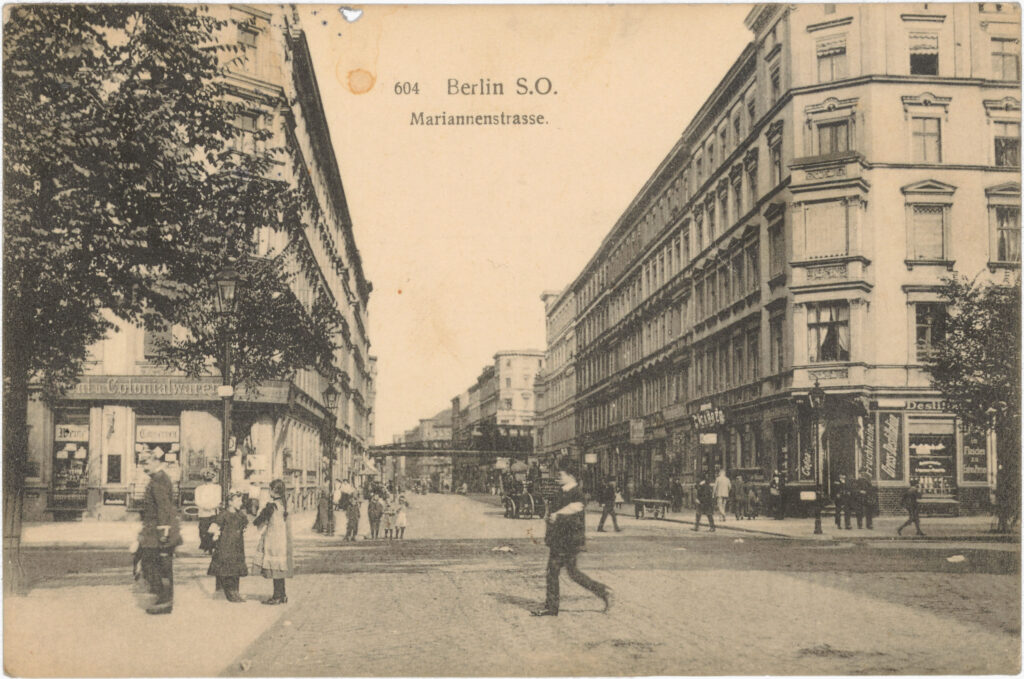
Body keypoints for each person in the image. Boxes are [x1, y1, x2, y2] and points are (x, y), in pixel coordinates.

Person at [532, 458, 612, 617]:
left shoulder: (577, 494)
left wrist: (557, 517)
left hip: (568, 541)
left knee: (553, 571)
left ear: (571, 476)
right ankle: (603, 592)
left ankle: (552, 607)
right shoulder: (561, 491)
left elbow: (574, 518)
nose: (558, 476)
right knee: (572, 572)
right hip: (560, 540)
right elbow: (555, 512)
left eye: (560, 473)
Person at [138, 451, 182, 615]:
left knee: (155, 566)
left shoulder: (159, 480)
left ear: (156, 461)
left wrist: (164, 531)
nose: (144, 467)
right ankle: (162, 598)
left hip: (159, 532)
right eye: (142, 463)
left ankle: (164, 600)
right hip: (155, 531)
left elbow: (164, 507)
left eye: (146, 463)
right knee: (154, 565)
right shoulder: (158, 478)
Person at [252, 479, 294, 605]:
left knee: (274, 568)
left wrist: (260, 509)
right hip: (284, 541)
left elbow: (258, 522)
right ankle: (282, 595)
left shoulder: (271, 506)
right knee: (280, 568)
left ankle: (276, 596)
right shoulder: (285, 505)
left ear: (272, 491)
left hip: (273, 540)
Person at [207, 490, 248, 602]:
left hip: (237, 546)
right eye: (238, 500)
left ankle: (235, 591)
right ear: (230, 502)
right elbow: (213, 527)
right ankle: (229, 593)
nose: (241, 502)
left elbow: (244, 526)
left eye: (241, 500)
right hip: (225, 546)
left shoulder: (241, 515)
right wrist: (216, 534)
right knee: (227, 569)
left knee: (236, 568)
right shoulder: (224, 515)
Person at [194, 469, 221, 556]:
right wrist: (205, 507)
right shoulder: (199, 489)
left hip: (213, 512)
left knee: (213, 529)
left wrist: (211, 506)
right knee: (203, 530)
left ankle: (213, 547)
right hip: (203, 512)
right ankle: (205, 547)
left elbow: (218, 499)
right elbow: (197, 500)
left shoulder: (217, 488)